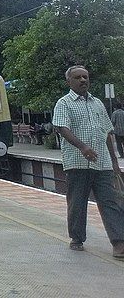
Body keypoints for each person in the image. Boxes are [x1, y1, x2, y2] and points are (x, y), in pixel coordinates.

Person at [52, 66, 124, 257]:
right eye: (78, 77)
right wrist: (82, 147)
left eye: (85, 77)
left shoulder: (97, 103)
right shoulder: (64, 103)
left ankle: (119, 242)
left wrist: (115, 161)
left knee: (110, 202)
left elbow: (107, 132)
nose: (83, 80)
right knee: (77, 202)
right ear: (69, 81)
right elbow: (62, 128)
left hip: (102, 163)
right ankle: (77, 237)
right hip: (77, 162)